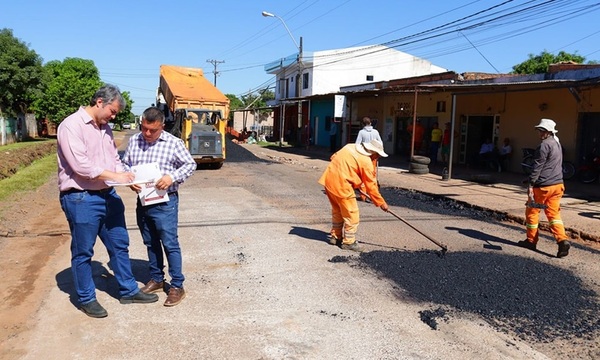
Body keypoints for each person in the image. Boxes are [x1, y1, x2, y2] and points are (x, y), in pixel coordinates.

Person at [57, 84, 159, 318]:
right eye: (112, 111)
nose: (113, 116)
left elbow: (114, 159)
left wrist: (129, 177)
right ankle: (86, 298)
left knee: (119, 244)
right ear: (99, 102)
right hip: (81, 198)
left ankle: (128, 290)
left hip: (108, 196)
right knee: (83, 251)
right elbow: (81, 166)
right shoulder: (71, 126)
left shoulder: (105, 129)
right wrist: (117, 176)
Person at [121, 106, 196, 306]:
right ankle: (156, 278)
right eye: (144, 128)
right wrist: (129, 180)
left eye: (152, 130)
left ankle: (177, 285)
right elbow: (125, 164)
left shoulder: (173, 143)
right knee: (150, 241)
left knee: (169, 243)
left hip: (166, 202)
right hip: (143, 200)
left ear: (162, 126)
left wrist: (171, 177)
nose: (146, 133)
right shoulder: (135, 141)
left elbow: (190, 164)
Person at [318, 139, 390, 252]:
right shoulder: (365, 161)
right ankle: (349, 242)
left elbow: (333, 157)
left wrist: (352, 178)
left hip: (329, 181)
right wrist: (381, 203)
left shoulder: (349, 147)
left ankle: (335, 236)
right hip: (342, 186)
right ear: (373, 152)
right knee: (352, 214)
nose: (377, 158)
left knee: (337, 210)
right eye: (377, 155)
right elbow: (371, 186)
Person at [517, 118, 570, 258]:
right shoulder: (557, 144)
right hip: (558, 185)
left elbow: (538, 166)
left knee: (532, 212)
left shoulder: (544, 145)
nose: (539, 133)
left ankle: (531, 241)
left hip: (543, 187)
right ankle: (562, 240)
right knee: (554, 215)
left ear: (547, 132)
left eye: (541, 130)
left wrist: (531, 183)